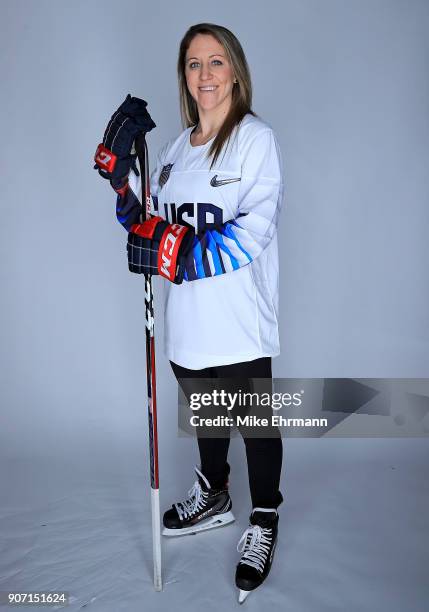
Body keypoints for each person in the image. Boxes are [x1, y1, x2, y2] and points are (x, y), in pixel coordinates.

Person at [94, 22, 284, 604]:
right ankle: (214, 494)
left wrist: (175, 254)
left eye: (216, 61)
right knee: (205, 418)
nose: (205, 74)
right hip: (191, 325)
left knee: (253, 426)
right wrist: (121, 182)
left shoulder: (255, 140)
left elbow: (252, 232)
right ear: (185, 75)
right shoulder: (175, 152)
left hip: (240, 321)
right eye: (195, 63)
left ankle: (265, 518)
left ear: (236, 71)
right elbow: (146, 228)